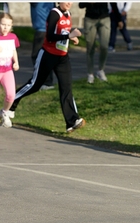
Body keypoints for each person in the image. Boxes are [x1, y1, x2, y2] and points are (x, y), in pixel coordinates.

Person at [9, 2, 86, 134]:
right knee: (35, 85)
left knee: (66, 88)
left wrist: (71, 37)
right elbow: (50, 36)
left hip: (62, 57)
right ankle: (11, 102)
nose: (68, 3)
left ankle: (72, 122)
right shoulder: (54, 14)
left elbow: (62, 32)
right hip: (47, 56)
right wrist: (68, 36)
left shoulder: (68, 14)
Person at [78, 3, 121, 84]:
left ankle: (101, 70)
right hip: (90, 19)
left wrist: (119, 19)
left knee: (104, 46)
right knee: (90, 47)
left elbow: (113, 3)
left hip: (104, 18)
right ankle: (90, 74)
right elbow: (80, 5)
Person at [30, 2, 56, 90]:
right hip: (48, 29)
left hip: (42, 29)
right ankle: (46, 82)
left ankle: (45, 82)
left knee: (37, 56)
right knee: (46, 55)